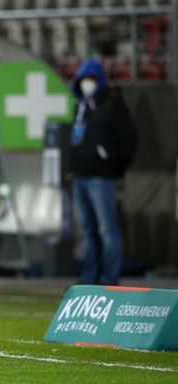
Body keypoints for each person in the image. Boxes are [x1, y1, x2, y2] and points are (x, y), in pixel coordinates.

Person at [69, 58, 137, 286]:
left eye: (91, 79)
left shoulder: (113, 105)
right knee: (88, 231)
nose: (87, 83)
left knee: (107, 229)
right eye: (83, 79)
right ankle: (91, 277)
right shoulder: (80, 106)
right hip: (80, 178)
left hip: (102, 179)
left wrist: (114, 169)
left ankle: (110, 277)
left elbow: (129, 141)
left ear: (100, 80)